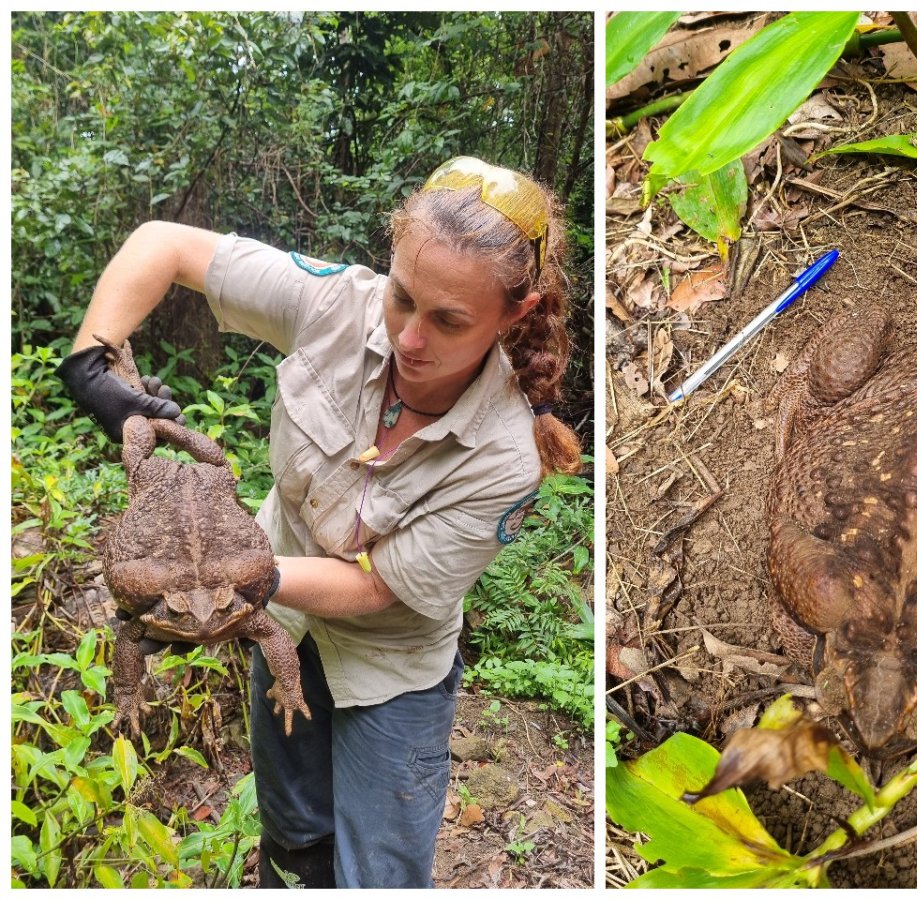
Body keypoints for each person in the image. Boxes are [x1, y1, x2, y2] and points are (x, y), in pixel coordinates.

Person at [58, 157, 583, 888]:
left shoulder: (505, 458)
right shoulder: (337, 303)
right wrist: (92, 363)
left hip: (389, 666)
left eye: (449, 321)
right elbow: (163, 245)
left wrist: (236, 579)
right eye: (403, 297)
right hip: (283, 631)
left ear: (513, 315)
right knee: (295, 833)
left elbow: (376, 590)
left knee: (380, 871)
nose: (409, 337)